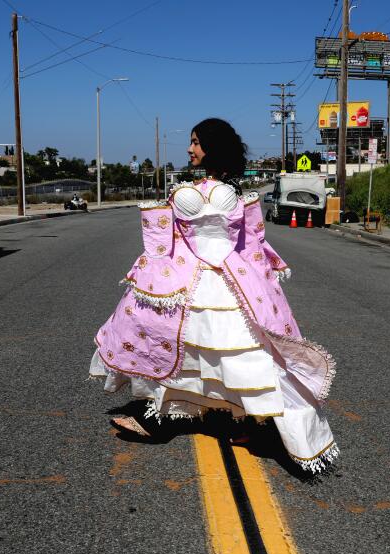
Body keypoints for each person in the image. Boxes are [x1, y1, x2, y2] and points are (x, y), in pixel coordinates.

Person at [89, 118, 338, 473]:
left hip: (220, 278)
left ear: (211, 146)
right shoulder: (232, 192)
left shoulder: (225, 192)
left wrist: (264, 278)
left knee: (213, 348)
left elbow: (249, 240)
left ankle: (244, 422)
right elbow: (246, 241)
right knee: (199, 347)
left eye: (195, 142)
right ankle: (240, 422)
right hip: (204, 277)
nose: (190, 149)